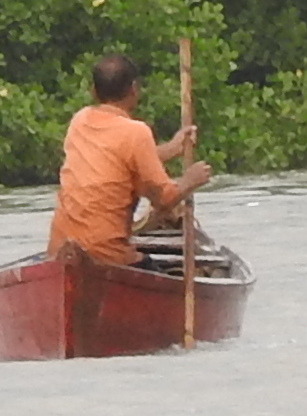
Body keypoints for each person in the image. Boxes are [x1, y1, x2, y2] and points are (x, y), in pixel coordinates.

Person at [47, 49, 211, 269]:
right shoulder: (136, 132)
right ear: (134, 90)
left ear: (93, 92)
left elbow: (120, 161)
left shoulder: (80, 121)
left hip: (60, 250)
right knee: (157, 273)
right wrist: (189, 181)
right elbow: (163, 200)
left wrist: (172, 148)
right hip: (107, 255)